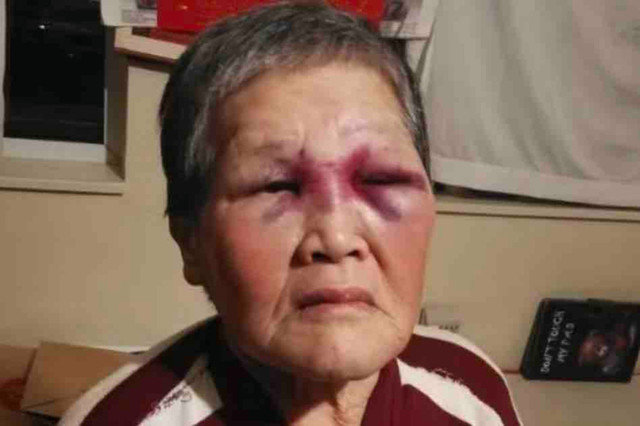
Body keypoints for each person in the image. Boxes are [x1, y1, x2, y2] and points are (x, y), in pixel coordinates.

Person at [59, 2, 520, 425]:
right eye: (275, 186)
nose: (336, 239)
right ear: (190, 242)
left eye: (382, 179)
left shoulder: (471, 389)